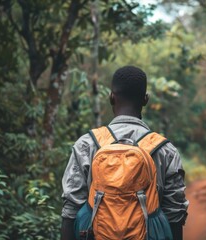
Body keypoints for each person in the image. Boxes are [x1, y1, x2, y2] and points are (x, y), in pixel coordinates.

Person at [61, 65, 189, 240]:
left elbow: (71, 208)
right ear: (145, 100)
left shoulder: (87, 144)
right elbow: (175, 213)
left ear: (111, 97)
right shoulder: (165, 150)